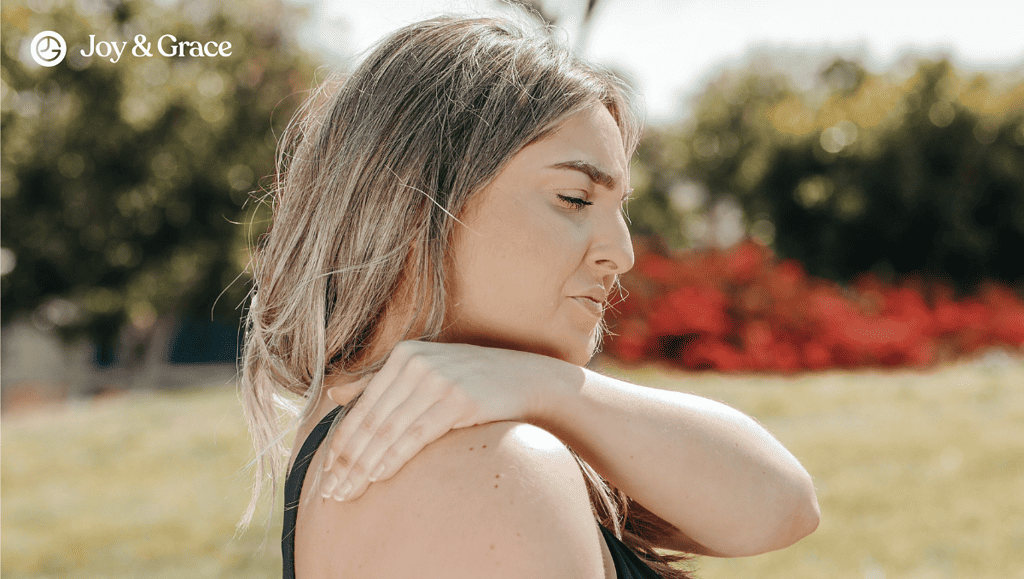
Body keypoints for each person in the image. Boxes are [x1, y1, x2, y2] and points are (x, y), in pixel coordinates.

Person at [239, 14, 819, 579]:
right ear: (416, 201)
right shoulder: (490, 468)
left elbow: (783, 507)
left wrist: (544, 388)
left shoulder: (419, 439)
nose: (622, 254)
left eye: (621, 211)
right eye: (574, 198)